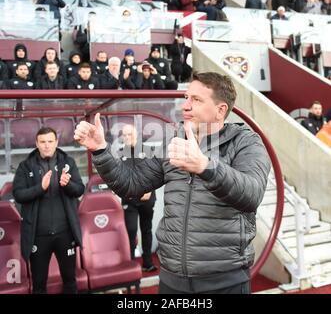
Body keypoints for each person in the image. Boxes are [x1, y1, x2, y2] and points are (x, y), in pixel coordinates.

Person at [74, 72, 271, 294]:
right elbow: (131, 184)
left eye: (196, 100)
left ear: (220, 110)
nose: (185, 106)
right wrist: (101, 150)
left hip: (224, 280)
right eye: (186, 98)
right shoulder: (174, 141)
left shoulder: (246, 142)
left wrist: (205, 166)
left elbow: (252, 194)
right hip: (171, 279)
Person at [13, 127, 85, 293]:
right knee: (39, 284)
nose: (47, 145)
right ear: (37, 144)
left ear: (56, 142)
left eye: (50, 141)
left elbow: (80, 190)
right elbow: (18, 195)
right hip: (38, 237)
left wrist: (68, 185)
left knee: (70, 280)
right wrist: (40, 188)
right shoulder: (25, 166)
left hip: (65, 234)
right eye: (43, 142)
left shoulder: (68, 162)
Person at [119, 124, 158, 272]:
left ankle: (147, 263)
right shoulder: (120, 153)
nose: (127, 137)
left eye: (130, 134)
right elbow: (118, 178)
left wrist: (150, 189)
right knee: (131, 231)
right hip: (129, 200)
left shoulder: (149, 151)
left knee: (146, 230)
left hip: (147, 199)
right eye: (125, 135)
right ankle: (130, 265)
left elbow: (156, 173)